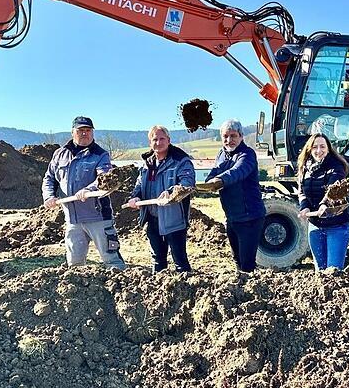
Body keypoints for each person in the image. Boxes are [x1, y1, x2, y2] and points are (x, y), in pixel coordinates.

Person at [42, 116, 126, 269]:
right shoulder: (60, 155)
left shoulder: (100, 155)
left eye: (88, 130)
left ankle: (122, 289)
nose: (85, 133)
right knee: (75, 264)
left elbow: (105, 179)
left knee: (112, 260)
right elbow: (49, 178)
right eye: (81, 130)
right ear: (73, 132)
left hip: (98, 217)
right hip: (73, 220)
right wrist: (49, 196)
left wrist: (89, 189)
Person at [127, 125, 196, 273]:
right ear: (150, 143)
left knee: (180, 261)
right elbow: (139, 184)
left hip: (174, 219)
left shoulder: (181, 161)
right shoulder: (147, 164)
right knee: (157, 260)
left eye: (162, 139)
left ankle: (187, 288)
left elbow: (187, 182)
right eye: (155, 139)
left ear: (169, 140)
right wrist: (135, 196)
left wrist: (171, 192)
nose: (158, 142)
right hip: (152, 218)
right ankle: (158, 289)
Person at [204, 119, 266, 272]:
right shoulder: (221, 154)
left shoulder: (247, 154)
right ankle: (240, 290)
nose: (229, 140)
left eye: (233, 136)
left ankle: (252, 292)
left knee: (247, 264)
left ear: (241, 136)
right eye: (225, 136)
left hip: (250, 217)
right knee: (237, 260)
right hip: (232, 217)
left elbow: (238, 171)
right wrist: (205, 183)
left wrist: (219, 180)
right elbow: (215, 171)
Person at [296, 134, 349, 270]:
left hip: (336, 226)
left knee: (334, 271)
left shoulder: (336, 167)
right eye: (315, 147)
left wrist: (324, 204)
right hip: (315, 226)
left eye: (322, 147)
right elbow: (301, 191)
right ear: (309, 149)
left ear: (328, 149)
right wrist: (305, 207)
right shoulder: (304, 168)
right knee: (320, 271)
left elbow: (333, 190)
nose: (318, 150)